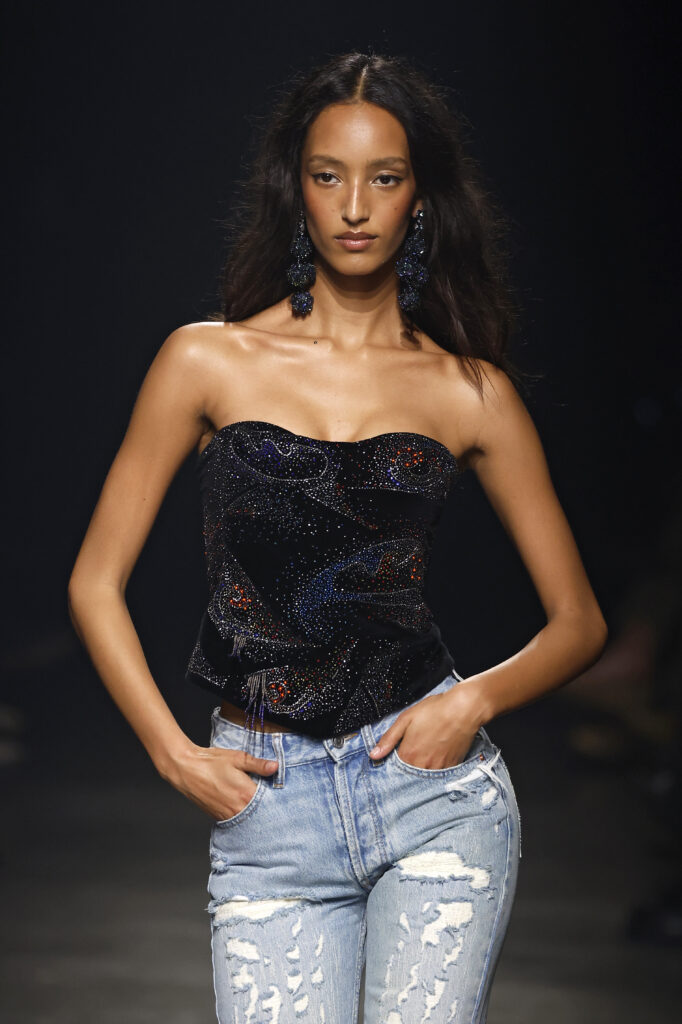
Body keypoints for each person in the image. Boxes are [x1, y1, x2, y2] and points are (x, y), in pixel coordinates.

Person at [67, 51, 608, 1024]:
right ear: (297, 188)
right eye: (329, 176)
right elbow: (94, 581)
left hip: (431, 798)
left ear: (419, 199)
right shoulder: (205, 359)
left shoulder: (467, 390)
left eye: (384, 178)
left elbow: (579, 622)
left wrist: (470, 702)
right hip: (268, 805)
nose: (355, 206)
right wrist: (171, 753)